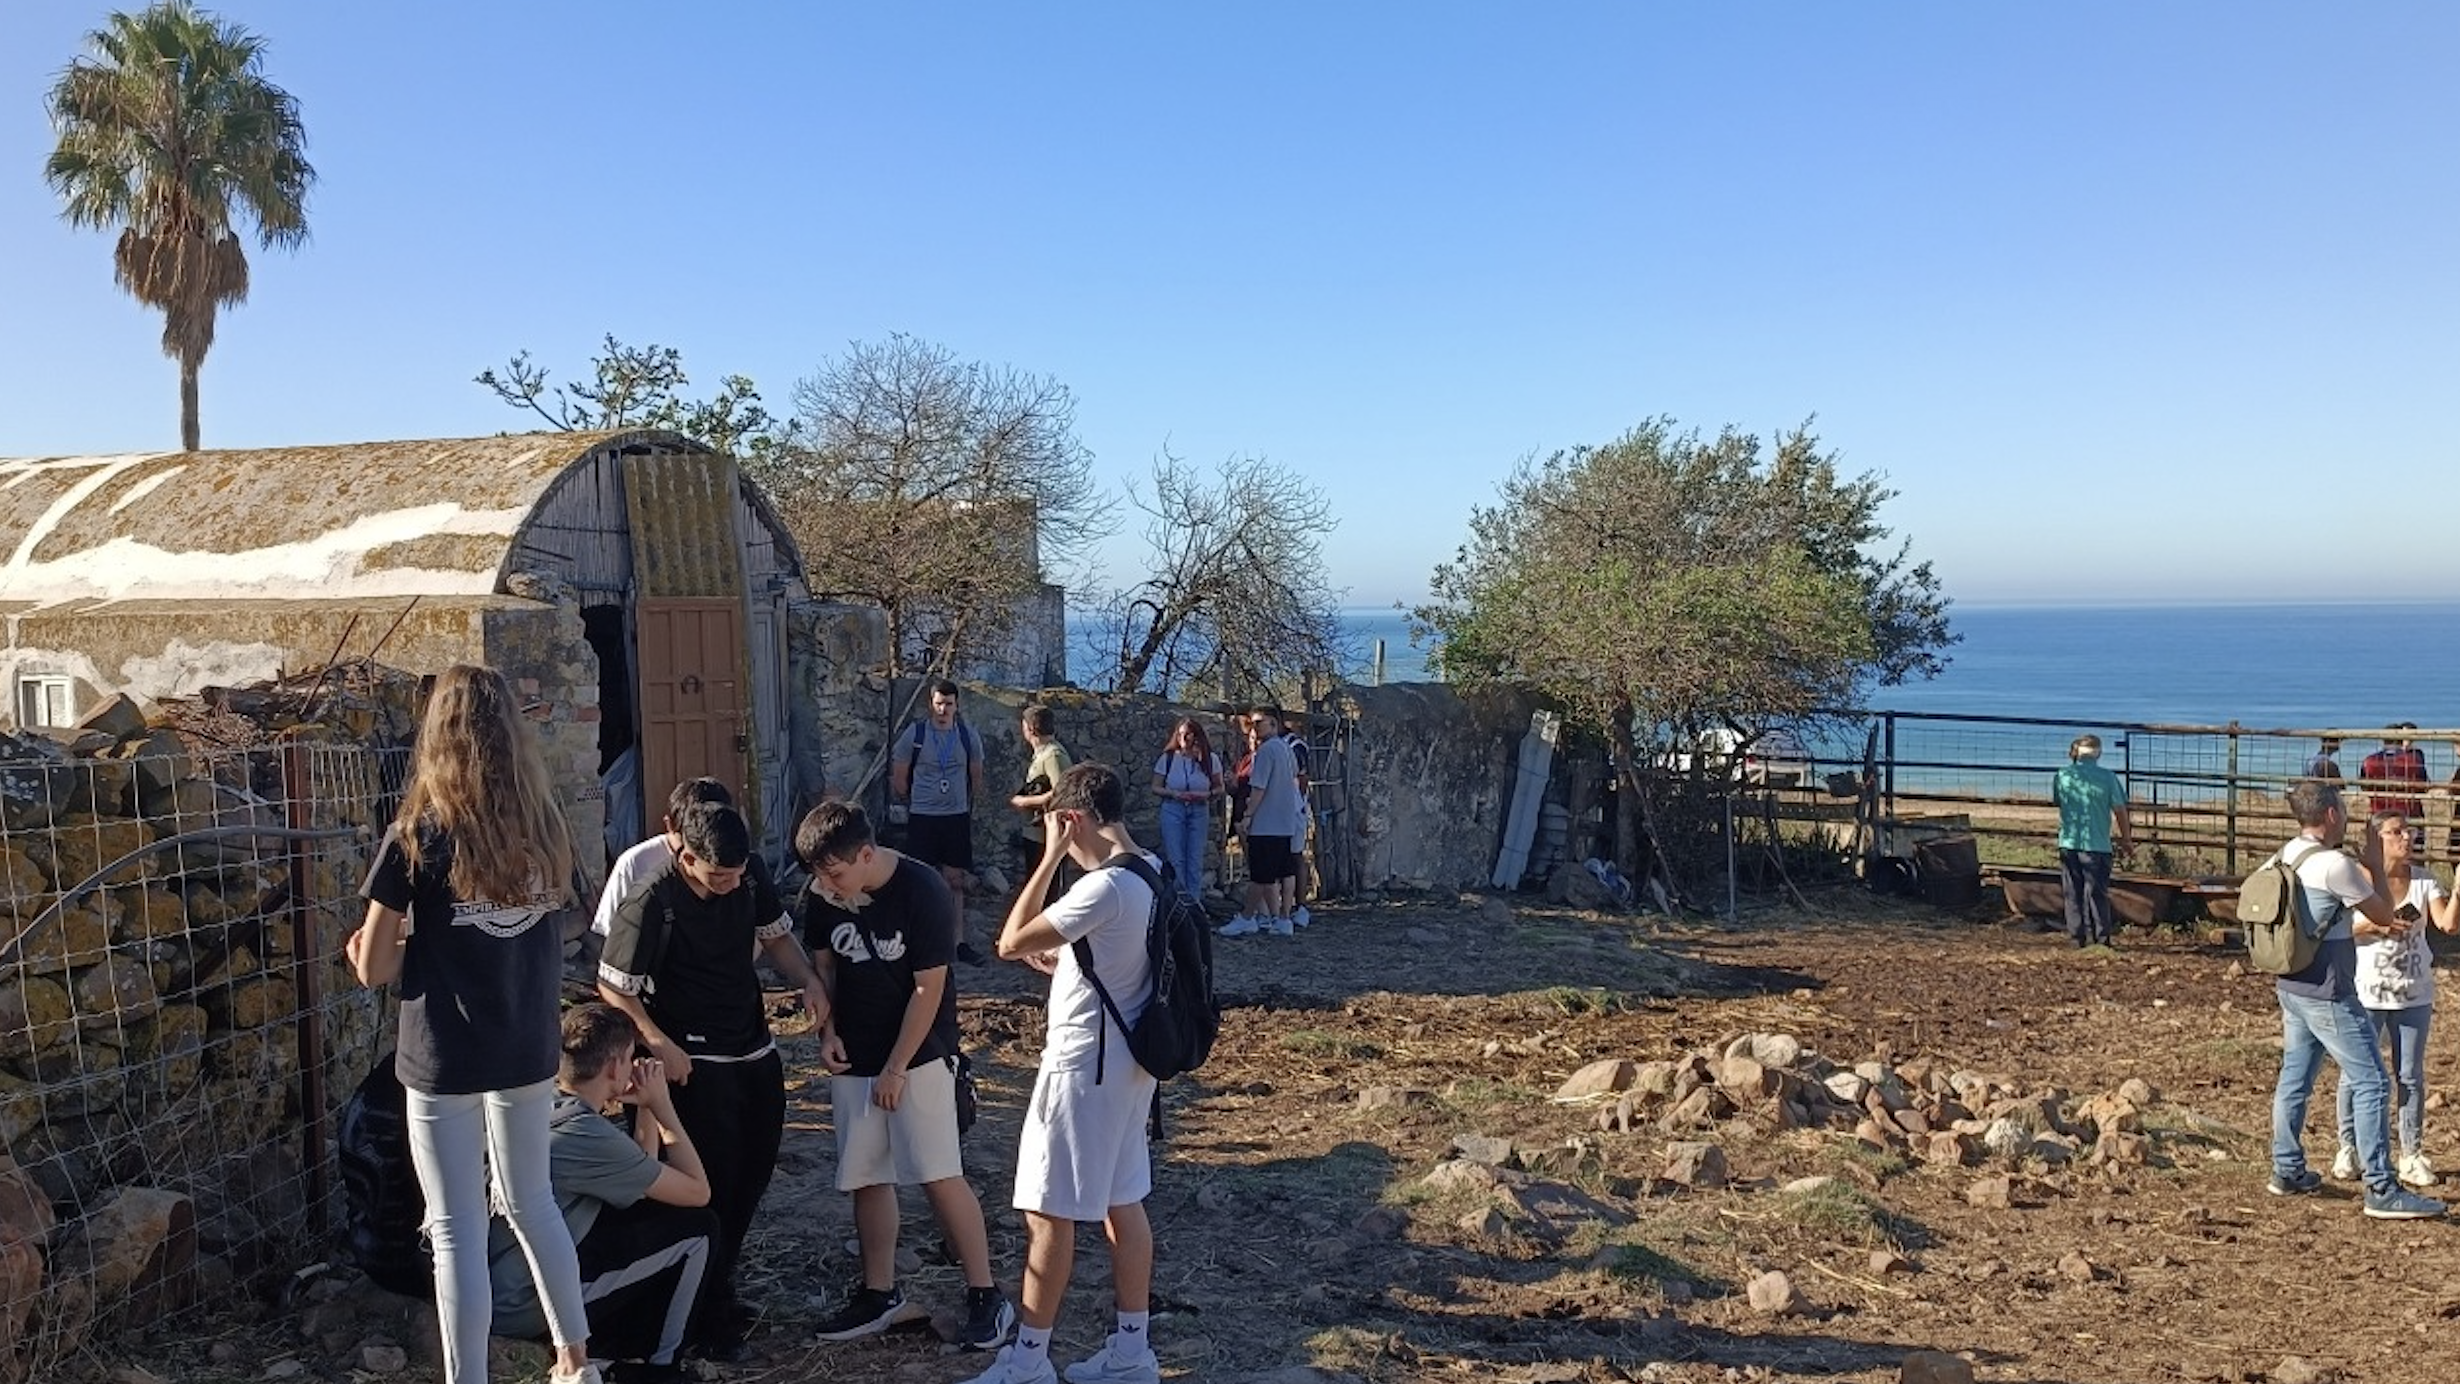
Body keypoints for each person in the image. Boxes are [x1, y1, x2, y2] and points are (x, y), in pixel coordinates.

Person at [346, 663, 599, 1384]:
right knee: (532, 1201)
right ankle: (576, 1359)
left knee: (455, 1226)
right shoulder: (547, 828)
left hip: (444, 1053)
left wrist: (372, 947)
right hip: (525, 1043)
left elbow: (375, 968)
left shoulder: (417, 838)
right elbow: (571, 924)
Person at [596, 801, 831, 1360]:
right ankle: (701, 1312)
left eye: (736, 873)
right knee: (705, 1187)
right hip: (689, 1066)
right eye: (717, 875)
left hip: (751, 1049)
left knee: (751, 1175)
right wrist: (657, 1042)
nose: (729, 884)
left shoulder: (749, 878)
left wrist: (808, 980)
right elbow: (614, 987)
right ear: (686, 856)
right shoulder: (652, 899)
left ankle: (717, 1281)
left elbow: (775, 938)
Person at [966, 763, 1164, 1384]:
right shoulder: (1153, 871)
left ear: (1072, 819)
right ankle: (1132, 1350)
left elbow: (1009, 940)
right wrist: (1072, 967)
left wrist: (1048, 859)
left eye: (1060, 828)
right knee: (1121, 1201)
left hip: (1084, 1067)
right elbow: (1123, 958)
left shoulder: (1101, 886)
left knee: (1048, 1212)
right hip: (1132, 1066)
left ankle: (1027, 1361)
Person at [795, 802, 1015, 1352]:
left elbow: (929, 988)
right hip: (854, 1054)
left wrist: (897, 1067)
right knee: (866, 1174)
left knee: (938, 1172)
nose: (828, 885)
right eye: (819, 875)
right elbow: (824, 969)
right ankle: (879, 1292)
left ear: (866, 855)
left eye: (837, 874)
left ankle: (987, 1295)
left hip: (919, 1053)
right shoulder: (822, 895)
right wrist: (827, 1033)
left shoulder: (923, 892)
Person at [488, 1005, 719, 1384]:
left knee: (643, 1219)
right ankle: (660, 1366)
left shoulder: (542, 1102)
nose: (633, 1067)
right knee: (698, 1232)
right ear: (613, 1067)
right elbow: (697, 1191)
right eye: (630, 1059)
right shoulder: (586, 1134)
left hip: (497, 1282)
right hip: (522, 1306)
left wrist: (644, 1108)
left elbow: (641, 1175)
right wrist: (662, 1106)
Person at [2263, 780, 2446, 1219]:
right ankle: (2381, 1188)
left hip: (2292, 983)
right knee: (2373, 1083)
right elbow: (2384, 912)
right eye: (2343, 810)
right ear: (2330, 815)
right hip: (2329, 988)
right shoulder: (2334, 864)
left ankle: (2286, 1168)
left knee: (2296, 1077)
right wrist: (2373, 862)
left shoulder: (2285, 854)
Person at [2330, 810, 2460, 1190]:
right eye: (2396, 832)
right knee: (2357, 1073)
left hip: (2413, 992)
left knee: (2410, 1076)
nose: (2407, 838)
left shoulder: (2423, 881)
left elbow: (2448, 925)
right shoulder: (2358, 882)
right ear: (2377, 840)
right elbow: (2339, 929)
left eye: (2409, 831)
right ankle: (2348, 1147)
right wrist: (2378, 923)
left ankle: (2411, 1153)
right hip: (2366, 990)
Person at [890, 679, 989, 962]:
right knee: (919, 879)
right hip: (923, 817)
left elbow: (976, 778)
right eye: (938, 704)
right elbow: (899, 779)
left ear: (957, 705)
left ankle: (957, 943)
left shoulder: (968, 736)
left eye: (948, 704)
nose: (943, 709)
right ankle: (918, 940)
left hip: (955, 817)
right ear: (930, 704)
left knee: (955, 881)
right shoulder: (916, 734)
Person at [592, 776, 734, 941]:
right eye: (691, 837)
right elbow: (613, 934)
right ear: (670, 825)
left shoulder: (737, 865)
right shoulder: (635, 863)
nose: (701, 849)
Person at [1223, 707, 1303, 938]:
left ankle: (1248, 918)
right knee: (1281, 872)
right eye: (1253, 723)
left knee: (1260, 876)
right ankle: (1283, 919)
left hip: (1266, 824)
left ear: (1274, 724)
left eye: (1260, 723)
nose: (1255, 728)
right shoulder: (1287, 749)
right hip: (1284, 823)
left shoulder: (1266, 751)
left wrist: (1247, 816)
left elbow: (1258, 789)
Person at [2050, 734, 2132, 949]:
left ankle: (2077, 937)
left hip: (2069, 841)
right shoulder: (2108, 778)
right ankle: (2101, 938)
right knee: (2097, 892)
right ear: (2098, 753)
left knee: (2072, 892)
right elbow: (2120, 810)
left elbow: (2059, 803)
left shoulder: (2062, 775)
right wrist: (2126, 839)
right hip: (2097, 844)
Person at [1009, 702, 1075, 907]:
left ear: (1029, 728)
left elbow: (1062, 792)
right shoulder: (1043, 754)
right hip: (1036, 833)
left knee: (1047, 893)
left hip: (1046, 836)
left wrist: (1025, 801)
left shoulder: (1054, 755)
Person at [1149, 717, 1220, 901]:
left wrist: (1207, 794)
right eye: (1179, 734)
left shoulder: (1210, 760)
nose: (1183, 739)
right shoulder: (1169, 758)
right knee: (1176, 859)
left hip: (1199, 809)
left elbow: (1219, 787)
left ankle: (1193, 905)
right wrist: (1174, 794)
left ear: (1196, 736)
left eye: (1187, 734)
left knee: (1195, 860)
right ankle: (1179, 903)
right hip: (1174, 808)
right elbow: (1155, 786)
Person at [2360, 724, 2428, 823]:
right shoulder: (2413, 760)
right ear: (2401, 739)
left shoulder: (2369, 761)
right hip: (2408, 813)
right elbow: (2422, 785)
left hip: (2379, 812)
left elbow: (2364, 786)